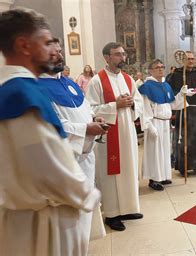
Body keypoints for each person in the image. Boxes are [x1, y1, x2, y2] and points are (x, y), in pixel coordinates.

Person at [0, 8, 101, 255]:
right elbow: (50, 165)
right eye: (46, 42)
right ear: (24, 45)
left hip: (22, 216)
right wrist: (87, 194)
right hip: (43, 225)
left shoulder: (9, 89)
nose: (54, 50)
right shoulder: (22, 95)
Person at [38, 38, 107, 241]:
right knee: (69, 220)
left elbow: (84, 109)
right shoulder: (38, 88)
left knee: (83, 216)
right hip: (65, 163)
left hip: (85, 157)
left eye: (60, 51)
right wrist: (86, 128)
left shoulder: (69, 83)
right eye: (53, 53)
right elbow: (51, 127)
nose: (59, 56)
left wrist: (94, 119)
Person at [86, 42, 144, 231]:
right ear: (107, 57)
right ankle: (112, 214)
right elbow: (91, 109)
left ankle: (128, 207)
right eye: (118, 54)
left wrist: (133, 104)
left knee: (128, 168)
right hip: (109, 135)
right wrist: (114, 106)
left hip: (127, 132)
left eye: (123, 54)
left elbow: (139, 101)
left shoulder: (128, 79)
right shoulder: (97, 81)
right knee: (111, 174)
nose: (122, 57)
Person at [139, 59, 192, 190]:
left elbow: (173, 104)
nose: (161, 69)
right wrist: (149, 126)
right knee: (155, 152)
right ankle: (154, 179)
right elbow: (144, 109)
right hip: (154, 122)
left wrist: (181, 94)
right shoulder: (147, 87)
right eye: (157, 67)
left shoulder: (166, 85)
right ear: (150, 70)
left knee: (164, 151)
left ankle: (163, 176)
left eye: (162, 67)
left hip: (165, 123)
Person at [167, 51, 196, 176]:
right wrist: (181, 93)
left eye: (192, 59)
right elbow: (170, 93)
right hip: (184, 110)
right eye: (188, 59)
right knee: (184, 139)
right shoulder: (175, 75)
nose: (191, 61)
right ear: (183, 60)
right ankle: (183, 167)